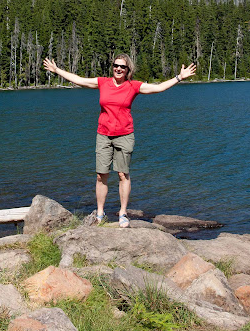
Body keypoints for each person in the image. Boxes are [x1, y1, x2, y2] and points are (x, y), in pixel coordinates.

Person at [42, 54, 196, 227]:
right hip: (103, 134)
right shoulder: (103, 83)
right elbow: (79, 80)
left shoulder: (133, 86)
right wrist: (56, 70)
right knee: (101, 175)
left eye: (122, 67)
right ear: (113, 66)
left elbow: (158, 88)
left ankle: (123, 213)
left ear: (128, 70)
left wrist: (179, 77)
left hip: (124, 135)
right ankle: (100, 213)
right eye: (116, 65)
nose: (118, 69)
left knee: (123, 174)